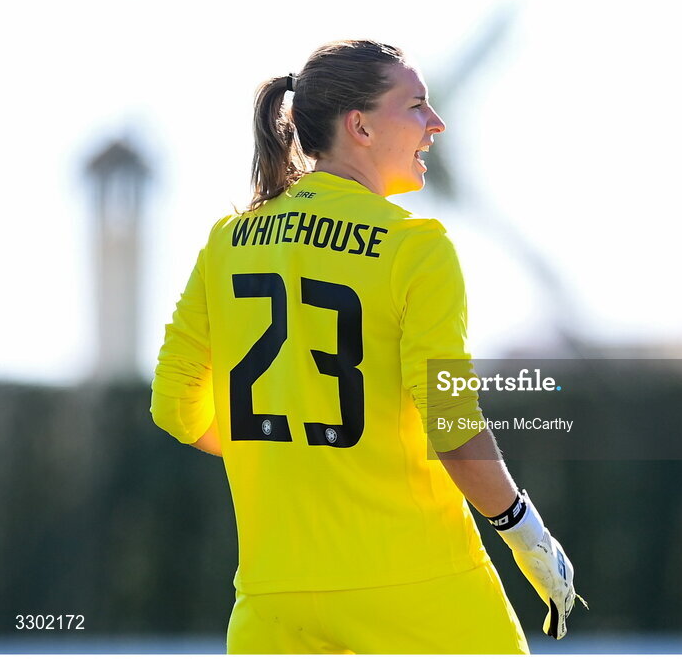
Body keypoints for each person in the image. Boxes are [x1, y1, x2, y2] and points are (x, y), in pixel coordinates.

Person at [150, 39, 580, 654]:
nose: (436, 124)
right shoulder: (417, 246)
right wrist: (525, 533)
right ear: (360, 126)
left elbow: (173, 406)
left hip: (274, 601)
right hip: (421, 587)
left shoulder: (228, 240)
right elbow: (452, 425)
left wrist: (294, 458)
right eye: (416, 106)